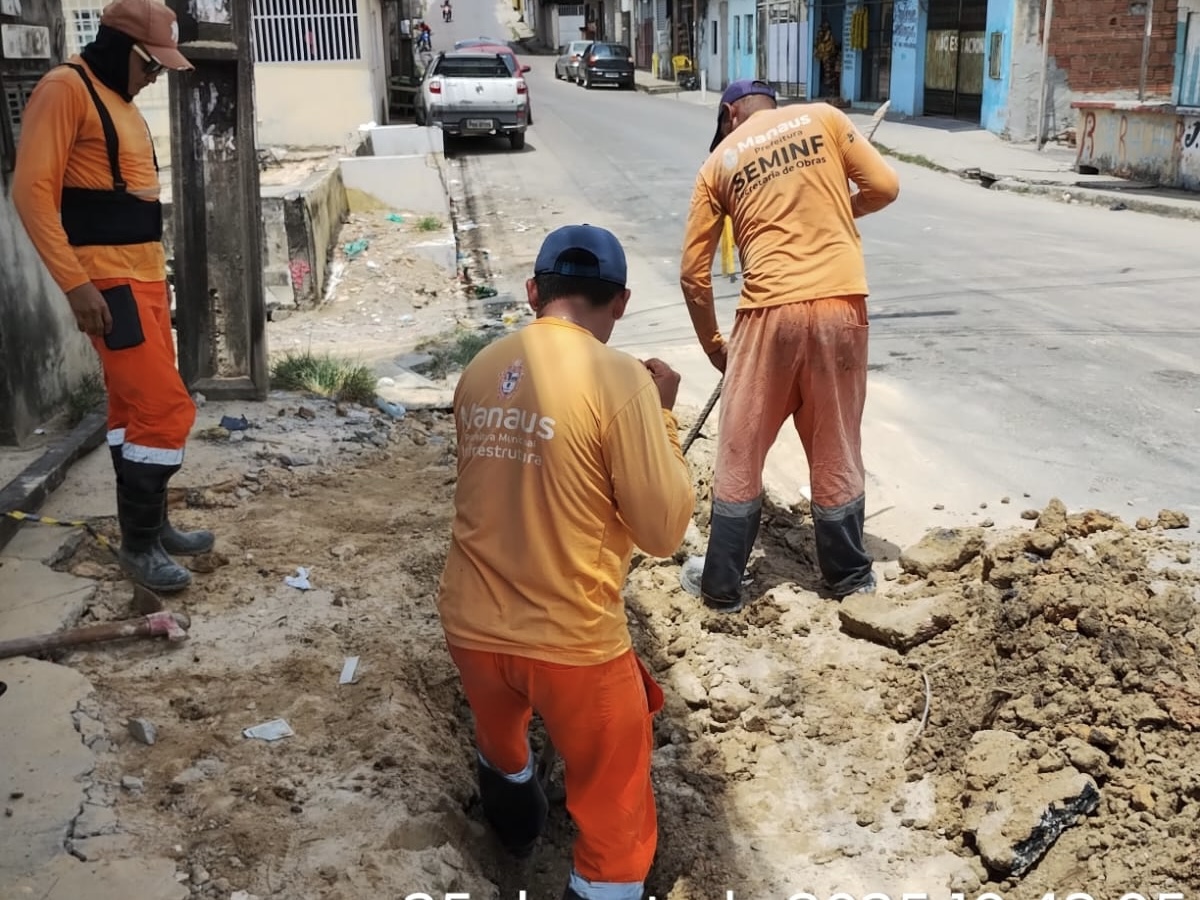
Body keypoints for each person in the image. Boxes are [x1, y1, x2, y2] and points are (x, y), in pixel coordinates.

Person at [436, 224, 695, 900]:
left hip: (472, 626)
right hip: (573, 643)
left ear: (533, 293)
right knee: (615, 812)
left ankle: (516, 837)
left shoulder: (482, 368)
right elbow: (662, 528)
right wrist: (663, 419)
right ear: (623, 302)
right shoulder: (621, 381)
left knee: (501, 744)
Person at [11, 0, 211, 595]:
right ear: (122, 47)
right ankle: (139, 546)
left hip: (142, 276)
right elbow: (32, 193)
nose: (153, 79)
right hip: (108, 283)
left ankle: (152, 523)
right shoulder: (65, 89)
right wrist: (76, 285)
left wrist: (159, 274)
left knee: (131, 413)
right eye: (151, 66)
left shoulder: (119, 101)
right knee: (164, 409)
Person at [678, 79, 900, 612]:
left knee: (741, 446)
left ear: (730, 115)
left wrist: (715, 346)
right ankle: (848, 579)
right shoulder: (824, 117)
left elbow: (693, 274)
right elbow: (885, 187)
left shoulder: (719, 163)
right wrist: (838, 208)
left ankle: (722, 586)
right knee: (836, 441)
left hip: (766, 314)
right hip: (839, 308)